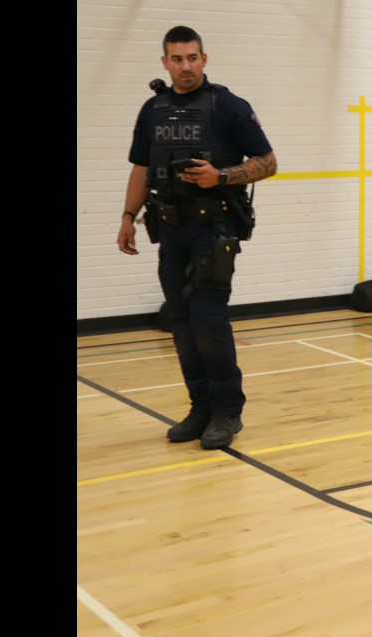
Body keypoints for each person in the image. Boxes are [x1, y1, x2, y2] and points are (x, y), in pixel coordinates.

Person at [117, 26, 277, 450]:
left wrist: (221, 176)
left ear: (204, 60)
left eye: (192, 58)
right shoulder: (153, 110)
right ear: (165, 63)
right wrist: (128, 216)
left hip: (214, 230)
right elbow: (140, 169)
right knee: (181, 324)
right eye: (176, 59)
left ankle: (227, 412)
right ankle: (200, 408)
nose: (185, 66)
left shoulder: (228, 106)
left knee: (207, 321)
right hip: (170, 229)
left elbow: (268, 162)